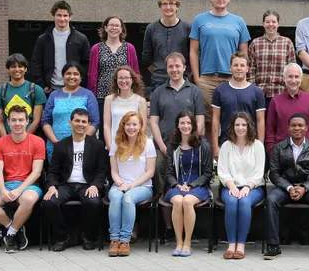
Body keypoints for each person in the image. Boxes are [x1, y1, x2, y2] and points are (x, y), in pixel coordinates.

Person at [150, 53, 207, 238]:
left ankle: (189, 228)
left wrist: (192, 144)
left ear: (184, 68)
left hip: (189, 148)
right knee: (165, 186)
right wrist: (163, 147)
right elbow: (154, 122)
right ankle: (169, 228)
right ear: (166, 69)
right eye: (170, 67)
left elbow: (199, 121)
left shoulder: (195, 91)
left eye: (177, 66)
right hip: (165, 148)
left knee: (189, 183)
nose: (174, 70)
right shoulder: (158, 92)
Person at [189, 0, 251, 145]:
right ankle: (213, 156)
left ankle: (232, 154)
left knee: (234, 118)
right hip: (207, 79)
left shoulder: (238, 22)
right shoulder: (199, 20)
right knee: (209, 120)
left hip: (232, 79)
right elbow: (193, 51)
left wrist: (242, 77)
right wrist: (197, 78)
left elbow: (243, 54)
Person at [0, 106, 45, 253]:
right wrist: (2, 189)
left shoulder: (37, 141)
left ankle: (9, 234)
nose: (17, 124)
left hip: (28, 185)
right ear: (8, 122)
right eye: (14, 120)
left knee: (28, 199)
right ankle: (14, 228)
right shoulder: (0, 142)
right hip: (6, 184)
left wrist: (19, 190)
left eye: (21, 120)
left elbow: (36, 172)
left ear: (27, 121)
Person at [264, 113, 309, 260]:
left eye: (300, 125)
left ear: (306, 128)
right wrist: (289, 187)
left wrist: (303, 188)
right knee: (271, 200)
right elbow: (274, 174)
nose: (297, 128)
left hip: (308, 189)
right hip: (284, 188)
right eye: (293, 125)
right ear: (288, 128)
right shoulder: (278, 148)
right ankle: (273, 245)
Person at [42, 108, 107, 251]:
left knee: (94, 202)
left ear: (89, 124)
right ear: (70, 122)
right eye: (77, 120)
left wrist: (96, 185)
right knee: (49, 202)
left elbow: (101, 170)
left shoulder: (97, 145)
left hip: (87, 184)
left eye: (84, 122)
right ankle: (62, 237)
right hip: (66, 184)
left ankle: (87, 236)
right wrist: (52, 186)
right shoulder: (60, 145)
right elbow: (52, 171)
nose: (80, 124)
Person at [162, 111, 213, 257]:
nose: (186, 126)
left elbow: (208, 173)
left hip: (198, 185)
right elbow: (169, 173)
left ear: (194, 125)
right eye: (182, 123)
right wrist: (177, 185)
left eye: (189, 123)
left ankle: (187, 242)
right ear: (177, 125)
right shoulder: (173, 146)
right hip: (177, 185)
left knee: (188, 201)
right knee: (178, 201)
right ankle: (179, 242)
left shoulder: (203, 145)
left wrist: (191, 186)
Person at [107, 112, 156, 257]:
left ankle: (125, 240)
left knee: (128, 198)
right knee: (115, 197)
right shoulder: (116, 143)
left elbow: (150, 172)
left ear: (140, 126)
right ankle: (114, 239)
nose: (131, 127)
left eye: (134, 124)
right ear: (123, 126)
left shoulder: (148, 143)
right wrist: (121, 183)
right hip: (120, 183)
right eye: (128, 124)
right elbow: (114, 171)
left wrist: (131, 185)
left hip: (142, 186)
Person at [217, 113, 266, 260]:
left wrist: (247, 187)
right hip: (230, 186)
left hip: (254, 187)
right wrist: (232, 186)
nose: (240, 128)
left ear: (249, 126)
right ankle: (231, 245)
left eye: (244, 125)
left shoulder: (257, 145)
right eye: (237, 124)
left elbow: (259, 172)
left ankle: (241, 246)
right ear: (232, 127)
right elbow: (222, 171)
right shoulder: (226, 146)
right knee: (232, 201)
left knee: (244, 201)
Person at [89, 16, 140, 139]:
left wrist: (136, 94)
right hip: (102, 96)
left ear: (122, 29)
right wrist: (92, 97)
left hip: (123, 97)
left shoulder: (129, 48)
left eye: (117, 25)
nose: (114, 28)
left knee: (126, 128)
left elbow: (135, 73)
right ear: (105, 28)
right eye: (111, 25)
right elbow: (92, 74)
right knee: (104, 131)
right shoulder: (97, 48)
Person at [211, 52, 266, 159]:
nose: (239, 68)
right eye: (235, 65)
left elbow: (260, 121)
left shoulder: (257, 92)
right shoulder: (220, 91)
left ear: (247, 68)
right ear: (230, 68)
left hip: (250, 144)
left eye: (242, 65)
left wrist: (260, 146)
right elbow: (215, 119)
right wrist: (215, 146)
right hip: (226, 142)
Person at [41, 62, 100, 159]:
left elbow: (95, 121)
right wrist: (56, 142)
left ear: (81, 78)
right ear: (63, 76)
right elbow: (45, 121)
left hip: (82, 147)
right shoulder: (54, 95)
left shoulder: (88, 95)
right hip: (56, 145)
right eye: (68, 73)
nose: (72, 76)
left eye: (76, 74)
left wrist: (79, 143)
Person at [31, 1, 91, 94]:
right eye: (59, 15)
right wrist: (42, 85)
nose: (62, 19)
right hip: (50, 90)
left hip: (74, 88)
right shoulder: (43, 39)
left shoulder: (81, 39)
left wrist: (81, 83)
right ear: (53, 16)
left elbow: (87, 63)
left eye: (65, 16)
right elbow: (36, 63)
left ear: (70, 17)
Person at [266, 63, 309, 153]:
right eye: (290, 76)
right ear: (284, 79)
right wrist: (272, 152)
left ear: (301, 79)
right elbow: (270, 130)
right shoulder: (275, 101)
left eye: (296, 77)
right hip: (282, 153)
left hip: (308, 153)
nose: (293, 80)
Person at [142, 0, 191, 93]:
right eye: (164, 4)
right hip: (158, 82)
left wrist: (184, 73)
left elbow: (193, 55)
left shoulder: (187, 28)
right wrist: (159, 71)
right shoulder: (151, 28)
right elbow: (147, 57)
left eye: (172, 3)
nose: (168, 7)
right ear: (160, 7)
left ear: (177, 7)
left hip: (183, 81)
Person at [0, 54, 46, 137]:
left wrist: (24, 140)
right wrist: (7, 141)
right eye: (13, 67)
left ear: (25, 69)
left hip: (30, 140)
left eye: (20, 66)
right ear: (8, 69)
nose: (17, 69)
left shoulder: (36, 90)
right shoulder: (0, 91)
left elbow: (37, 120)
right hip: (7, 140)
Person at [248, 10, 296, 103]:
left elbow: (292, 68)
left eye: (274, 22)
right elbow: (251, 69)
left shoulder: (287, 43)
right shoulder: (255, 43)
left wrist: (290, 90)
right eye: (267, 22)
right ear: (263, 24)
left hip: (281, 92)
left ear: (278, 24)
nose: (271, 24)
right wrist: (252, 90)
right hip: (260, 93)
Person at [103, 66, 148, 149]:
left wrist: (135, 146)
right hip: (114, 145)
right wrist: (110, 146)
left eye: (126, 78)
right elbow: (106, 125)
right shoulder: (109, 99)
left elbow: (143, 126)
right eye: (120, 78)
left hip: (134, 146)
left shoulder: (141, 101)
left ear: (132, 80)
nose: (123, 81)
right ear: (116, 80)